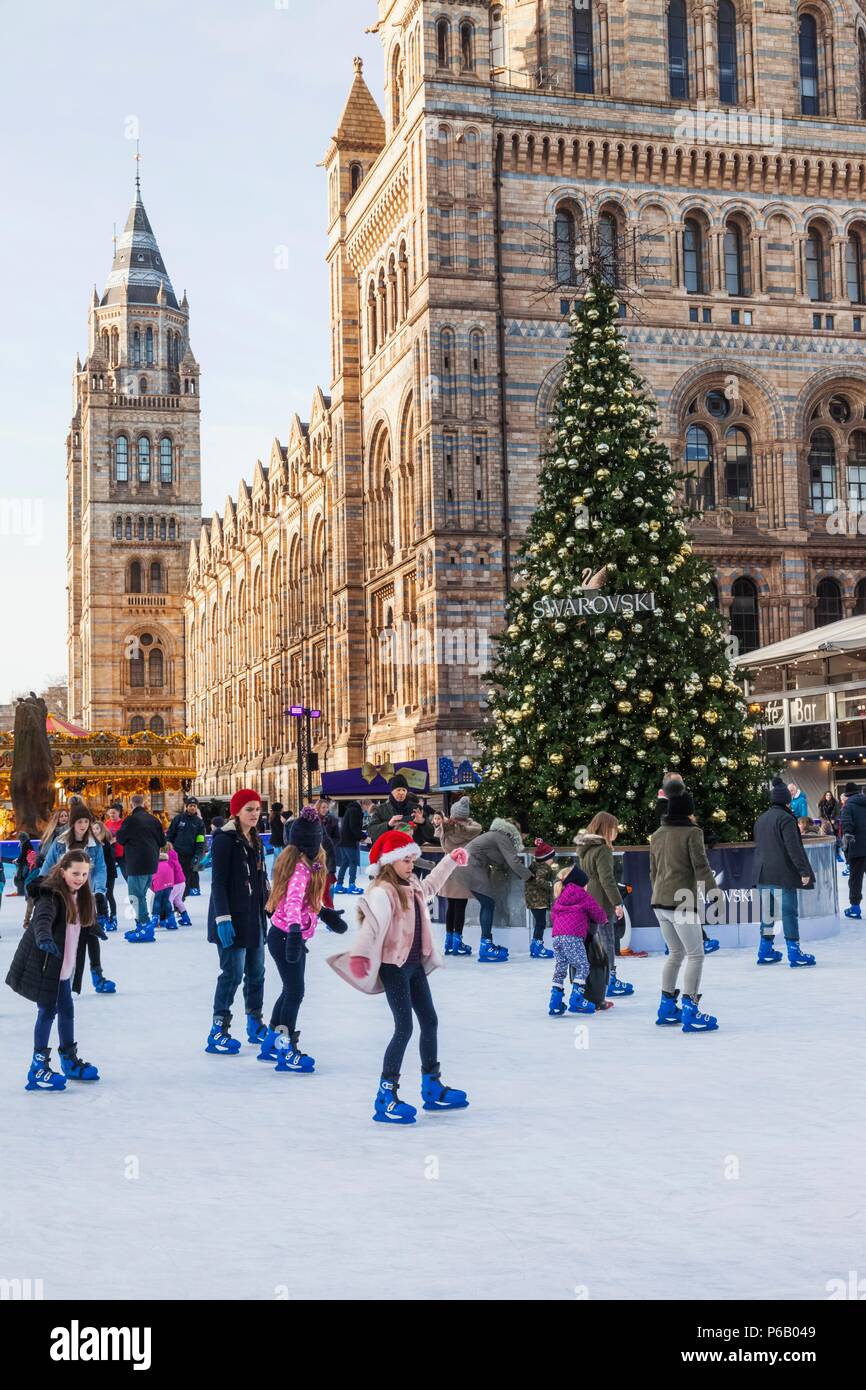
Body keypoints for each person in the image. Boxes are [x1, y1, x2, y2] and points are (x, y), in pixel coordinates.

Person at [328, 830, 470, 1124]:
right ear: (389, 862)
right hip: (393, 966)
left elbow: (430, 886)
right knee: (404, 1028)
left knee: (429, 1020)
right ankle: (385, 1096)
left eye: (412, 859)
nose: (410, 865)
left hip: (415, 964)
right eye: (405, 860)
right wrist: (360, 955)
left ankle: (431, 1086)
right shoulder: (383, 892)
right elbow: (371, 926)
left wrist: (450, 861)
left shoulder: (413, 884)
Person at [6, 849, 101, 1090]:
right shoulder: (51, 895)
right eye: (74, 873)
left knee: (67, 1011)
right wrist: (44, 938)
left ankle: (68, 1060)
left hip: (64, 967)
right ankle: (37, 1068)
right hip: (47, 964)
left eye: (84, 874)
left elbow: (79, 922)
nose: (79, 878)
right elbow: (43, 920)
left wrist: (93, 928)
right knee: (47, 1012)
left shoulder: (81, 895)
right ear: (62, 871)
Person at [257, 806, 330, 1072]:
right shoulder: (301, 869)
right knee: (295, 991)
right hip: (287, 936)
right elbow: (292, 905)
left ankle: (272, 1042)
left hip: (285, 935)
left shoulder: (304, 864)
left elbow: (304, 903)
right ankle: (286, 1049)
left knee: (290, 989)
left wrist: (327, 915)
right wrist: (296, 934)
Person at [649, 789, 721, 1031]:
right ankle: (690, 1009)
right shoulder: (693, 833)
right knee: (695, 955)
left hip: (659, 903)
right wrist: (714, 893)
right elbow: (701, 867)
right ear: (688, 811)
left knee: (675, 953)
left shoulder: (657, 834)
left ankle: (667, 1006)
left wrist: (659, 895)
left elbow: (653, 871)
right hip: (681, 903)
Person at [205, 789, 269, 1054]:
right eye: (249, 809)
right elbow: (218, 883)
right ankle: (218, 1028)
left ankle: (255, 1021)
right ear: (237, 812)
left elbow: (260, 880)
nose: (255, 814)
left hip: (254, 917)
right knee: (232, 973)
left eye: (257, 809)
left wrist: (270, 908)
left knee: (257, 973)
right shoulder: (225, 840)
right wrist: (223, 919)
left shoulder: (255, 841)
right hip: (231, 919)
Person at [753, 778, 816, 966]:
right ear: (787, 801)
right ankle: (794, 953)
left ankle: (765, 950)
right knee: (789, 913)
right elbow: (793, 848)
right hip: (783, 875)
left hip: (762, 874)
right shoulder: (787, 819)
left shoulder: (761, 819)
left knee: (767, 914)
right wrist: (804, 871)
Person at [573, 813, 635, 998]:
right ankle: (609, 980)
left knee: (593, 942)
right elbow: (606, 879)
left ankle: (595, 979)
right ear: (607, 828)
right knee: (607, 941)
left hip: (588, 899)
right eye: (615, 828)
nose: (617, 831)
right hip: (600, 901)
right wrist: (617, 902)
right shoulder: (602, 850)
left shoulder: (586, 849)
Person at [465, 816, 533, 963]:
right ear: (512, 830)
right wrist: (531, 877)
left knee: (487, 903)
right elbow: (513, 861)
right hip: (472, 866)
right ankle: (486, 946)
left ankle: (486, 944)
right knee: (488, 903)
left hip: (470, 866)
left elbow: (499, 858)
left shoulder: (495, 835)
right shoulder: (501, 836)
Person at [547, 863, 609, 1017]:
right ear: (581, 884)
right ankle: (577, 999)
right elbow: (597, 912)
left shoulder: (561, 897)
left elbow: (553, 916)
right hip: (572, 937)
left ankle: (555, 1002)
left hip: (557, 936)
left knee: (561, 967)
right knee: (582, 966)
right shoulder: (582, 895)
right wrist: (604, 920)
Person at [435, 797, 482, 956]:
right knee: (460, 907)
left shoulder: (446, 828)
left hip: (448, 868)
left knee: (451, 906)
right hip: (463, 869)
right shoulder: (471, 829)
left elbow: (436, 835)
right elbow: (478, 828)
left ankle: (448, 942)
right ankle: (457, 942)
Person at [116, 795, 166, 942]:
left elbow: (120, 839)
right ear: (144, 804)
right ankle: (141, 924)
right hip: (151, 862)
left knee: (135, 896)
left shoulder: (130, 820)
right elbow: (162, 841)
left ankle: (145, 926)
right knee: (141, 895)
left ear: (131, 805)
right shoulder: (154, 820)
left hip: (136, 862)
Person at [524, 838, 561, 960]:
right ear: (545, 859)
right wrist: (551, 885)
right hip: (538, 900)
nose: (552, 861)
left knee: (539, 923)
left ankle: (535, 946)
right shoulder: (543, 868)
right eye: (551, 858)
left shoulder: (534, 866)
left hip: (533, 899)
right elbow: (539, 880)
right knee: (541, 923)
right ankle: (538, 947)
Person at [167, 797, 206, 898]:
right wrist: (168, 846)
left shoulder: (199, 823)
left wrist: (198, 854)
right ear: (186, 806)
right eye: (190, 806)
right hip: (176, 854)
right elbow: (170, 834)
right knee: (175, 877)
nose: (192, 808)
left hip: (190, 855)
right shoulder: (178, 819)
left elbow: (200, 840)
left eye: (194, 806)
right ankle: (175, 898)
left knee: (186, 878)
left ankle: (182, 898)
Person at [365, 774, 419, 844]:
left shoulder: (416, 808)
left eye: (404, 790)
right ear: (392, 791)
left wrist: (422, 822)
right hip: (388, 851)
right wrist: (388, 825)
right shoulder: (381, 809)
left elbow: (429, 833)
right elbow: (371, 831)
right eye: (398, 790)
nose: (401, 793)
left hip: (410, 850)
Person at [840, 780, 866, 920]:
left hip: (857, 847)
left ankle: (855, 908)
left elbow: (846, 823)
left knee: (856, 878)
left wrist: (848, 834)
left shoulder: (848, 806)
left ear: (847, 794)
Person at [334, 798, 365, 895]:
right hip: (349, 842)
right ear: (363, 804)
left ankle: (339, 885)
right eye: (366, 808)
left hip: (343, 841)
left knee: (345, 862)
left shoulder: (351, 809)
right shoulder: (355, 810)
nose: (365, 810)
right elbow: (354, 827)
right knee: (353, 862)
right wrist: (363, 837)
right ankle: (352, 885)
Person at [103, 803, 127, 881]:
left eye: (114, 813)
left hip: (121, 853)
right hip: (110, 852)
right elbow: (103, 835)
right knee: (110, 874)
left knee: (126, 874)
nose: (111, 815)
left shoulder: (123, 823)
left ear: (118, 812)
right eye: (110, 812)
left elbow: (126, 836)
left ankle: (133, 891)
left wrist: (116, 839)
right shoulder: (107, 823)